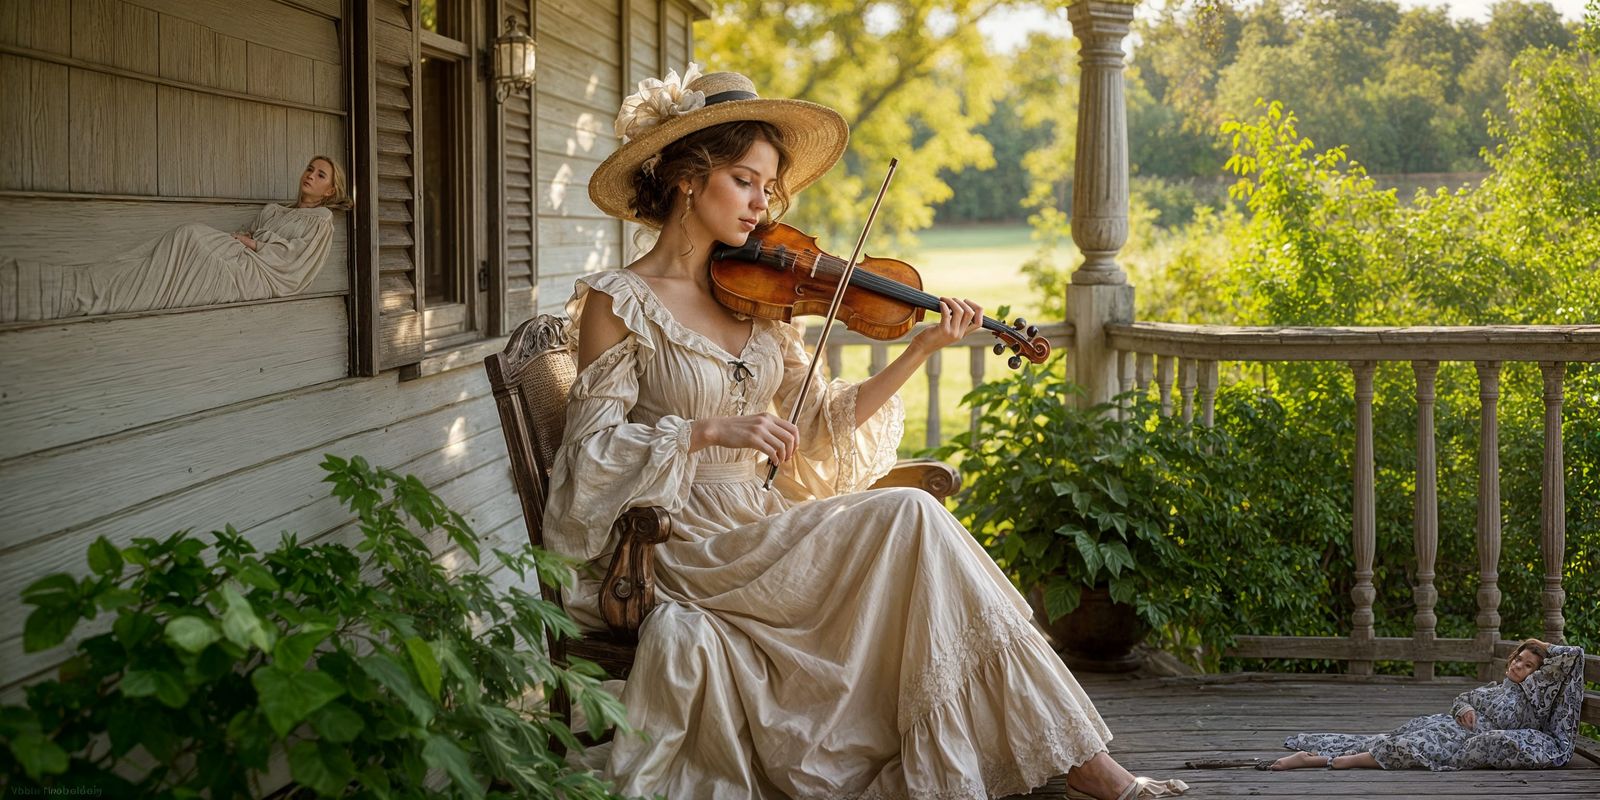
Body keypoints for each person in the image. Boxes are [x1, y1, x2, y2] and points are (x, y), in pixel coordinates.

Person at [542, 64, 1187, 800]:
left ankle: (1086, 763)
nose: (763, 204)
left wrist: (918, 350)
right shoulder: (619, 302)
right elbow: (587, 462)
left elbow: (821, 427)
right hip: (686, 543)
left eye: (770, 188)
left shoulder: (753, 305)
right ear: (690, 178)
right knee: (911, 513)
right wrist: (707, 429)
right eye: (747, 181)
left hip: (758, 527)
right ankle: (1093, 771)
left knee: (915, 526)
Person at [1, 156, 350, 322]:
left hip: (257, 276)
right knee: (168, 248)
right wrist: (243, 240)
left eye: (320, 175)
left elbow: (293, 267)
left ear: (330, 189)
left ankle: (90, 289)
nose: (310, 175)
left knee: (191, 240)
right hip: (240, 258)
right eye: (309, 168)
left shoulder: (320, 222)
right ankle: (73, 284)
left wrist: (254, 245)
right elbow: (247, 232)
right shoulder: (275, 210)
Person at [1269, 638, 1587, 771]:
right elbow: (1463, 699)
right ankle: (1320, 754)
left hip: (1467, 741)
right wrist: (1464, 709)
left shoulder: (1533, 694)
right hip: (1449, 727)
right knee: (1393, 737)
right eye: (1518, 659)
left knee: (1413, 745)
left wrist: (1540, 645)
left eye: (1528, 664)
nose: (1519, 665)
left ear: (1537, 673)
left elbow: (1575, 656)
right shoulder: (1494, 689)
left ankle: (1322, 761)